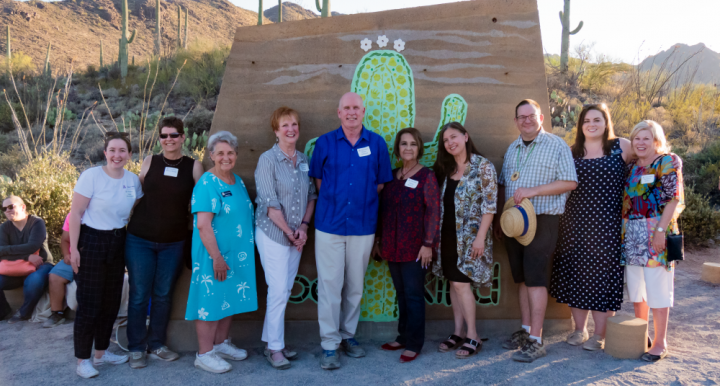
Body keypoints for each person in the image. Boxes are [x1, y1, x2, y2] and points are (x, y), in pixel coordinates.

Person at [309, 92, 393, 370]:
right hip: (329, 225)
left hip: (363, 225)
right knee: (330, 285)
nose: (351, 112)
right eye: (346, 108)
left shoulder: (377, 144)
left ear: (364, 111)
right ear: (339, 112)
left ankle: (348, 336)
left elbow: (380, 184)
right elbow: (319, 181)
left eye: (356, 107)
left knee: (355, 286)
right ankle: (329, 344)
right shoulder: (325, 143)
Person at [493, 99, 577, 363]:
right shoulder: (512, 149)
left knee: (536, 277)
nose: (526, 120)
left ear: (541, 117)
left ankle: (537, 341)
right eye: (521, 117)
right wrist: (499, 218)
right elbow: (505, 184)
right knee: (521, 277)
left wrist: (533, 191)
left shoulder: (556, 145)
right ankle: (527, 331)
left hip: (543, 219)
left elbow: (570, 182)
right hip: (514, 221)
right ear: (516, 121)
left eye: (531, 116)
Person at [124, 117, 204, 368]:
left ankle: (156, 344)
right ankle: (136, 348)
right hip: (140, 239)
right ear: (159, 138)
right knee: (138, 295)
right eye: (164, 135)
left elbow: (201, 204)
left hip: (174, 242)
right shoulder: (150, 161)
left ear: (183, 137)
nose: (168, 139)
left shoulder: (194, 166)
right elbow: (135, 197)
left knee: (162, 295)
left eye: (174, 135)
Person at [549, 104, 628, 350]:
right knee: (575, 275)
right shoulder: (571, 151)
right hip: (573, 224)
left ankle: (600, 335)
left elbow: (650, 156)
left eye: (597, 119)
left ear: (606, 123)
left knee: (604, 277)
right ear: (580, 125)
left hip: (608, 225)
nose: (591, 124)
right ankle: (579, 330)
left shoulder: (621, 146)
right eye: (586, 121)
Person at [69, 132, 144, 378]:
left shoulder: (133, 180)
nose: (117, 155)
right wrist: (74, 250)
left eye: (122, 150)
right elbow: (76, 215)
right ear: (105, 153)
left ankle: (101, 353)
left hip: (118, 241)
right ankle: (82, 360)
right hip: (91, 242)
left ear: (130, 155)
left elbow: (131, 210)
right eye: (112, 150)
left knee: (110, 302)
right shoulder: (91, 176)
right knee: (89, 303)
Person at [186, 131, 258, 374]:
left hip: (236, 255)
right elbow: (203, 225)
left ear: (236, 155)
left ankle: (221, 344)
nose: (226, 157)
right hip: (213, 255)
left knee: (228, 298)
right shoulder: (207, 183)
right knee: (210, 301)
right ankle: (204, 354)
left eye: (230, 153)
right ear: (211, 156)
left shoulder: (237, 181)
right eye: (220, 153)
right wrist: (217, 257)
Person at [254, 107, 317, 370]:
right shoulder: (267, 160)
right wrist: (291, 233)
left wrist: (303, 228)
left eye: (294, 124)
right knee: (278, 290)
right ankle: (275, 348)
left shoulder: (303, 159)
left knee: (284, 290)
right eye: (284, 126)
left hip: (296, 236)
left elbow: (312, 195)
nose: (290, 129)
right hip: (272, 234)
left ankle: (271, 340)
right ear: (276, 130)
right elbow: (269, 204)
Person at [374, 128, 440, 363]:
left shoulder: (426, 176)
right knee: (401, 294)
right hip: (392, 246)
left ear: (419, 147)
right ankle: (402, 336)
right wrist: (378, 240)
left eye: (413, 144)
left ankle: (414, 343)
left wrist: (428, 244)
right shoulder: (391, 176)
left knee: (413, 295)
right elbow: (383, 211)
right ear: (398, 148)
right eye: (404, 144)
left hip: (416, 248)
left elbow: (433, 211)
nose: (408, 148)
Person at [432, 122, 497, 359]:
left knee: (461, 284)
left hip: (471, 239)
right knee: (453, 283)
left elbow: (490, 206)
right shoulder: (446, 169)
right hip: (447, 237)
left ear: (466, 136)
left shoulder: (483, 166)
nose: (450, 142)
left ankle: (473, 336)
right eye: (446, 140)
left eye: (454, 137)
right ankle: (458, 332)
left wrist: (480, 238)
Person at [621, 120, 684, 362]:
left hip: (656, 231)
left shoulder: (666, 161)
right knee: (637, 289)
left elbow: (673, 199)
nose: (640, 142)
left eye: (646, 138)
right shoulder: (631, 167)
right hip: (631, 234)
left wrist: (660, 230)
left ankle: (660, 342)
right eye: (636, 138)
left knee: (658, 287)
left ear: (656, 140)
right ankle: (642, 334)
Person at [0, 195, 53, 323]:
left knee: (34, 281)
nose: (7, 210)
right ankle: (4, 312)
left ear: (23, 207)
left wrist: (12, 251)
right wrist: (26, 256)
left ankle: (24, 313)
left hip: (41, 264)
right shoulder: (4, 227)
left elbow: (32, 246)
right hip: (15, 268)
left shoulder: (36, 223)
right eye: (4, 208)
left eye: (11, 207)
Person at [44, 212, 74, 328]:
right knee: (55, 276)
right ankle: (57, 314)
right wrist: (67, 255)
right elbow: (65, 240)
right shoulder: (72, 215)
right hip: (73, 258)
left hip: (95, 257)